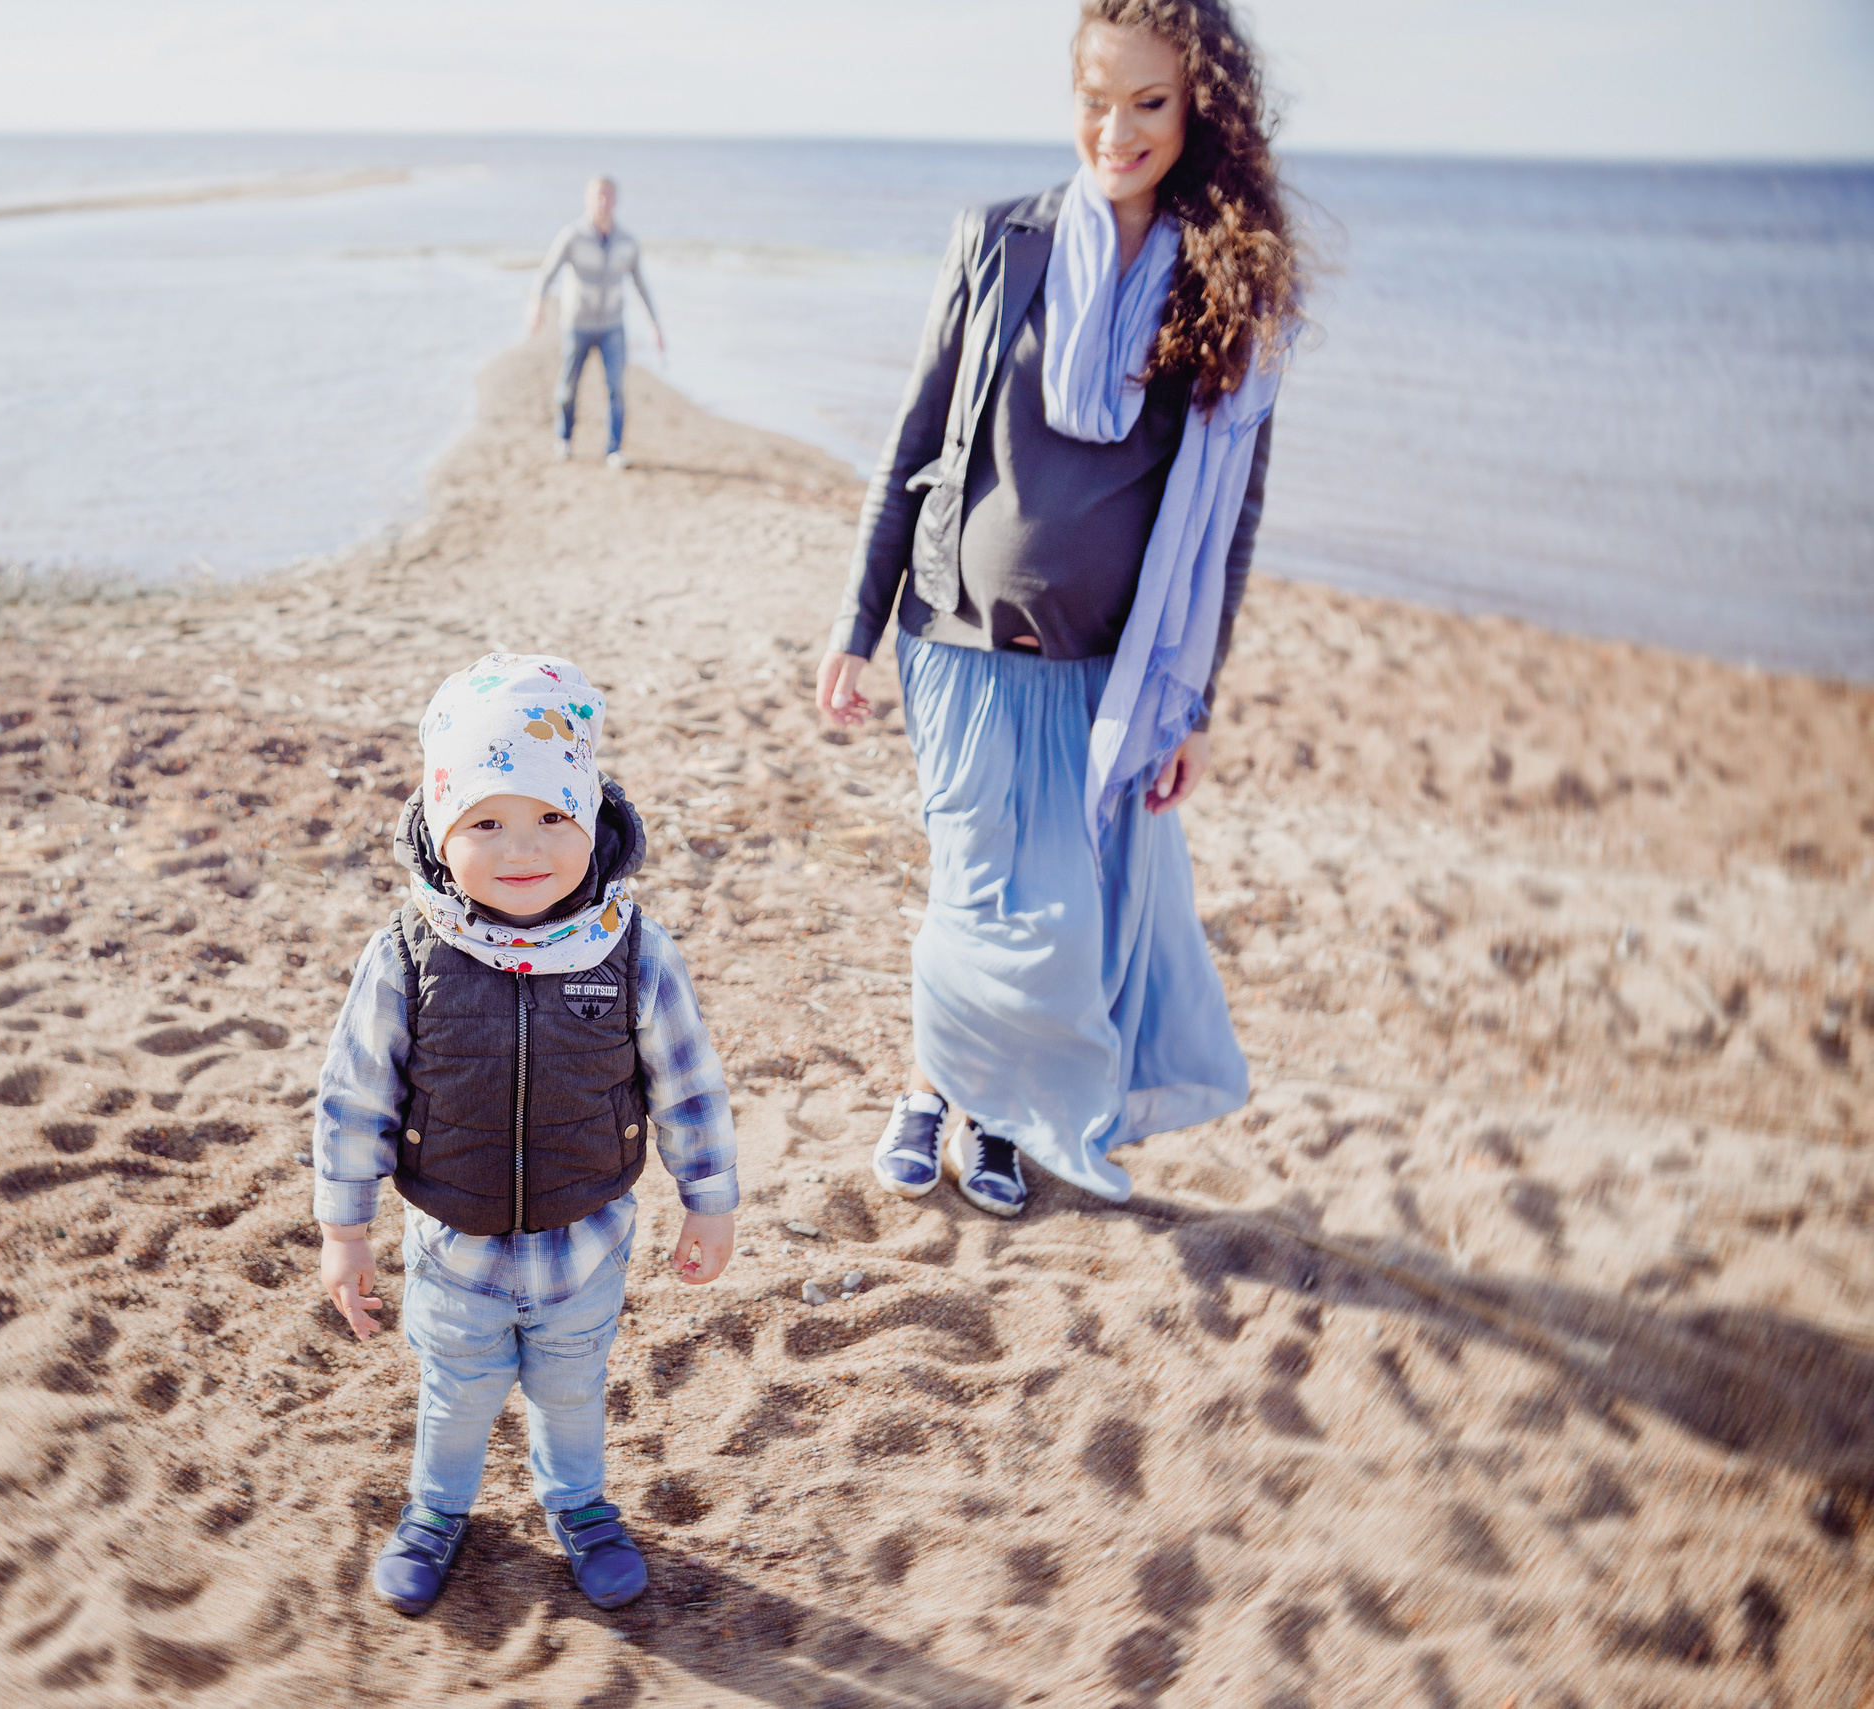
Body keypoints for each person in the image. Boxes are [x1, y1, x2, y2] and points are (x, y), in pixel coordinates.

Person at [818, 0, 1302, 1218]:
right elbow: (915, 437)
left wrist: (1195, 701)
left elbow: (1226, 521)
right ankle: (928, 1092)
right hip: (961, 639)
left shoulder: (1225, 284)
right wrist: (853, 626)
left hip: (1109, 670)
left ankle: (985, 1109)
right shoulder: (1001, 241)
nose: (1116, 129)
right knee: (973, 893)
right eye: (1096, 98)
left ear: (1198, 109)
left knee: (1061, 918)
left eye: (1148, 103)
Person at [310, 654, 737, 1616]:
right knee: (457, 1397)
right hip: (453, 1248)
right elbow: (354, 1096)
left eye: (552, 817)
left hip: (584, 1246)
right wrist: (344, 1228)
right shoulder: (409, 951)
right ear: (437, 829)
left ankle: (579, 1505)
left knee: (572, 1391)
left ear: (593, 818)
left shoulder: (630, 949)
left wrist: (710, 1199)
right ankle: (436, 1510)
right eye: (487, 822)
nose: (522, 849)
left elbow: (689, 1081)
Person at [530, 177, 666, 469]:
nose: (602, 201)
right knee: (568, 387)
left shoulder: (627, 241)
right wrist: (536, 306)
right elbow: (546, 274)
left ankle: (613, 450)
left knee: (616, 388)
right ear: (587, 199)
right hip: (576, 325)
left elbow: (641, 285)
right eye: (597, 196)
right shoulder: (571, 236)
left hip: (612, 327)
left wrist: (654, 324)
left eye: (607, 196)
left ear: (615, 200)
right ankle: (564, 439)